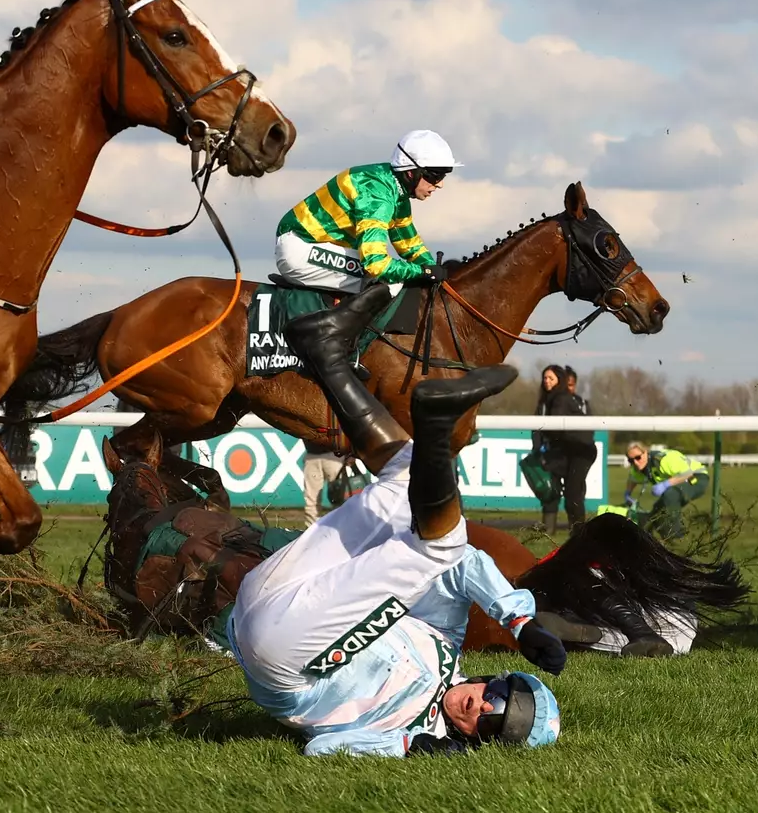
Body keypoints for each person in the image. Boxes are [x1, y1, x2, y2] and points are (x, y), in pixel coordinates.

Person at [225, 284, 564, 758]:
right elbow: (464, 564)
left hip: (284, 661)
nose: (484, 704)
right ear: (496, 678)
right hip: (266, 592)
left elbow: (323, 748)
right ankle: (325, 352)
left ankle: (435, 431)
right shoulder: (446, 641)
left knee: (441, 542)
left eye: (494, 723)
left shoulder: (419, 733)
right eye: (501, 695)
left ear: (479, 739)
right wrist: (521, 621)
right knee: (408, 483)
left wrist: (409, 744)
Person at [274, 130, 458, 294]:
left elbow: (410, 246)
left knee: (397, 275)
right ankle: (335, 333)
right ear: (411, 172)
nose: (440, 184)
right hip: (301, 248)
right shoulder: (376, 194)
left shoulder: (395, 189)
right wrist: (424, 272)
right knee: (389, 283)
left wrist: (433, 269)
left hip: (313, 246)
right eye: (436, 176)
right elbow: (376, 264)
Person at [533, 364, 598, 533]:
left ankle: (579, 533)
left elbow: (555, 427)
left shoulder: (560, 399)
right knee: (559, 490)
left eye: (551, 378)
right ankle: (558, 529)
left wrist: (543, 436)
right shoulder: (549, 400)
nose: (547, 381)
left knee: (573, 494)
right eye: (545, 378)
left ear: (559, 381)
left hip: (582, 451)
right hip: (568, 450)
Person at [623, 442, 710, 539]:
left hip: (696, 478)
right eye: (631, 460)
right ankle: (654, 538)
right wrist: (627, 494)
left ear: (645, 453)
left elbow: (687, 473)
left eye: (638, 457)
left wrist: (665, 484)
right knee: (656, 512)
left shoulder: (662, 460)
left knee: (670, 495)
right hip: (678, 483)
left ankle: (677, 537)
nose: (635, 462)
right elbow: (632, 479)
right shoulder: (638, 467)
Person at [301, 447, 344, 525]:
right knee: (311, 500)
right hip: (312, 455)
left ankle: (339, 529)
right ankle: (312, 532)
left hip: (334, 455)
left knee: (339, 498)